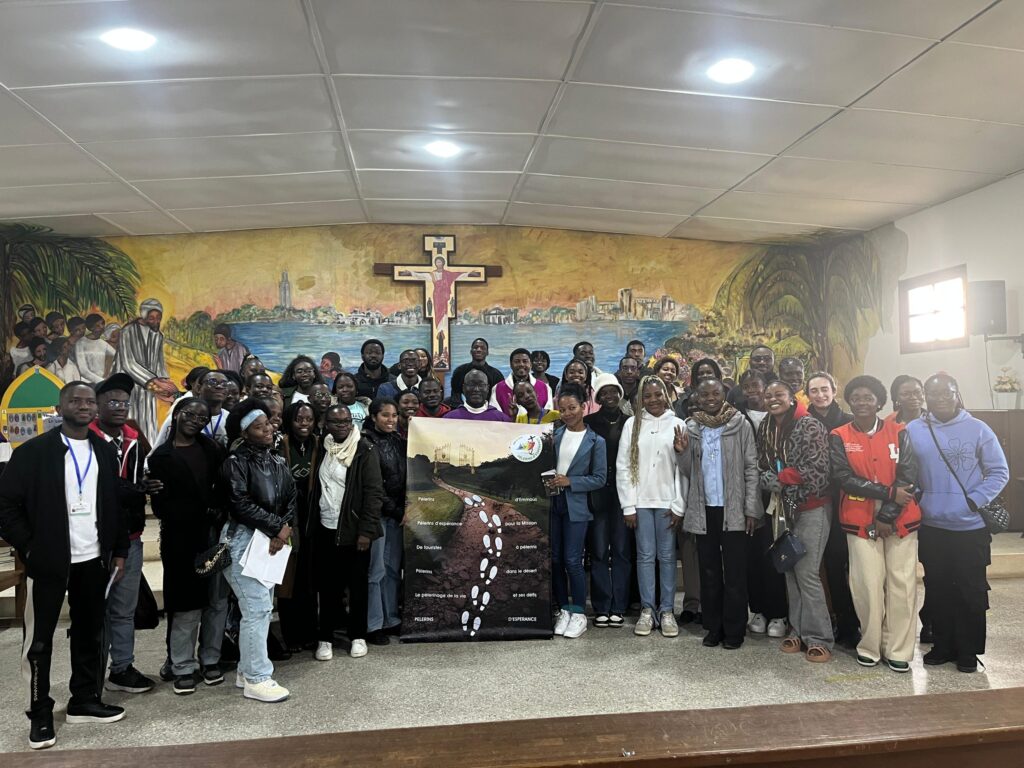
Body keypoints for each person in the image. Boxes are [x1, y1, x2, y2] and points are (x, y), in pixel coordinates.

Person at [0, 382, 129, 750]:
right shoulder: (35, 452)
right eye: (75, 400)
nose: (83, 406)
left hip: (93, 559)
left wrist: (118, 549)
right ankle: (39, 712)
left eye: (89, 401)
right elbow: (5, 504)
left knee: (89, 632)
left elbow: (115, 502)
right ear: (60, 407)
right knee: (39, 640)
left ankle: (84, 700)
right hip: (49, 561)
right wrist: (30, 547)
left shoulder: (104, 451)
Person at [906, 373, 1009, 673]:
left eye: (947, 393)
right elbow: (907, 471)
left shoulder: (978, 428)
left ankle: (968, 650)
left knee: (971, 589)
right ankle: (943, 645)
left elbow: (999, 471)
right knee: (937, 588)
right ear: (925, 396)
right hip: (932, 526)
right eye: (933, 393)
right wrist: (919, 496)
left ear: (957, 394)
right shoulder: (914, 429)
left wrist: (973, 500)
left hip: (970, 528)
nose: (940, 398)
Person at [830, 375, 921, 672]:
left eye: (868, 398)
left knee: (902, 584)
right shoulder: (839, 435)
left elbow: (908, 475)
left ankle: (898, 649)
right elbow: (843, 478)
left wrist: (886, 514)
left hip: (901, 519)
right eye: (856, 398)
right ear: (849, 402)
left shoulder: (899, 431)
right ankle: (869, 645)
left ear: (879, 402)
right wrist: (887, 494)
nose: (862, 403)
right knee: (867, 584)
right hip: (859, 520)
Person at [148, 398, 228, 694]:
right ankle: (183, 664)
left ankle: (210, 658)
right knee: (185, 604)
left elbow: (224, 486)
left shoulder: (212, 449)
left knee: (216, 600)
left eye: (202, 417)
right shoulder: (161, 457)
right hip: (180, 538)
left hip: (213, 535)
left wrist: (217, 512)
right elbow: (161, 506)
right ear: (177, 414)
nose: (196, 420)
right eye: (190, 414)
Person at [221, 400, 296, 702]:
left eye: (267, 423)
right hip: (243, 539)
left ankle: (245, 670)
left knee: (262, 608)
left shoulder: (277, 460)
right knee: (256, 609)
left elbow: (290, 497)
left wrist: (283, 527)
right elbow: (239, 503)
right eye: (258, 426)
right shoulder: (235, 462)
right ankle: (257, 678)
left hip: (271, 541)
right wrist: (276, 527)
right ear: (244, 433)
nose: (267, 429)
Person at [678, 379, 760, 649]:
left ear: (724, 394)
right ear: (697, 398)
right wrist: (682, 452)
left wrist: (751, 508)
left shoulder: (740, 424)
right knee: (709, 571)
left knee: (735, 572)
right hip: (704, 510)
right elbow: (688, 471)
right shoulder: (692, 427)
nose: (710, 398)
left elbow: (751, 467)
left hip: (733, 508)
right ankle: (714, 627)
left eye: (716, 393)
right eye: (705, 394)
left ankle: (735, 630)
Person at [757, 380, 833, 663]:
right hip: (781, 507)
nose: (773, 399)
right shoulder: (766, 426)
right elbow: (763, 461)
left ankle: (819, 638)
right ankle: (797, 631)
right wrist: (768, 477)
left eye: (779, 394)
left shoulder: (809, 425)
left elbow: (818, 470)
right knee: (789, 567)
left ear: (792, 398)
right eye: (768, 395)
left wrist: (780, 478)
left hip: (811, 506)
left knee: (807, 572)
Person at [91, 374, 158, 695]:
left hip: (130, 537)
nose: (119, 407)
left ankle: (121, 668)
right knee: (94, 610)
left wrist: (149, 486)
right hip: (93, 541)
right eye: (112, 401)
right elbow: (102, 487)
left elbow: (138, 480)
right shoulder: (85, 439)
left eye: (124, 402)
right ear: (97, 405)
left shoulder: (133, 438)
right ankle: (90, 674)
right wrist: (136, 490)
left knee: (124, 609)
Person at [310, 404, 384, 661]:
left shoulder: (364, 449)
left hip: (355, 531)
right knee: (328, 587)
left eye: (346, 422)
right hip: (325, 528)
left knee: (357, 585)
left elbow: (374, 494)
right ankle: (325, 638)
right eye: (335, 422)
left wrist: (366, 531)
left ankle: (357, 636)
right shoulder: (322, 447)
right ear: (325, 424)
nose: (341, 426)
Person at [616, 376, 686, 638]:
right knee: (645, 556)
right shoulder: (632, 424)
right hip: (641, 503)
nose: (653, 400)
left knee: (667, 557)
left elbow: (682, 469)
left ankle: (667, 610)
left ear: (666, 395)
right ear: (640, 399)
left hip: (668, 502)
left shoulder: (678, 424)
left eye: (658, 394)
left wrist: (679, 505)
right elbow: (623, 466)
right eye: (647, 396)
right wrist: (628, 505)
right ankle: (647, 609)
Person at [548, 384, 607, 639]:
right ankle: (564, 609)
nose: (567, 414)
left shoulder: (596, 442)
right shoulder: (554, 435)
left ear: (583, 407)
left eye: (572, 408)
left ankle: (579, 611)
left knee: (573, 560)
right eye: (562, 410)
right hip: (554, 504)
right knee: (556, 559)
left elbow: (600, 478)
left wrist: (570, 481)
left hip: (577, 506)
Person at [805, 371, 858, 647]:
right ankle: (836, 621)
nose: (820, 395)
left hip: (848, 499)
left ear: (834, 391)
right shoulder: (803, 422)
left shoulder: (849, 421)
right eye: (814, 390)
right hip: (816, 502)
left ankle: (856, 621)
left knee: (851, 564)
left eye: (824, 389)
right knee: (829, 565)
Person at [584, 374, 632, 628]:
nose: (610, 396)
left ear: (620, 393)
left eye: (614, 391)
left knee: (622, 551)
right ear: (598, 396)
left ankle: (619, 606)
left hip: (624, 494)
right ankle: (602, 606)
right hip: (598, 494)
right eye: (605, 392)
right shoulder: (589, 422)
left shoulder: (630, 422)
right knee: (599, 550)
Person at [362, 398, 407, 643]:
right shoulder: (366, 442)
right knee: (376, 570)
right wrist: (396, 510)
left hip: (397, 515)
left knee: (392, 569)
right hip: (378, 515)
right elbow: (374, 485)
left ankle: (391, 618)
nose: (391, 420)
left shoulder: (398, 440)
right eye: (385, 415)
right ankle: (374, 624)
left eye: (394, 415)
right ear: (373, 417)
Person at [277, 401, 320, 652]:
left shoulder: (319, 444)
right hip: (288, 518)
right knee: (289, 580)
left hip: (313, 518)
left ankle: (310, 633)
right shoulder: (279, 444)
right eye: (299, 419)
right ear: (289, 421)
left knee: (309, 579)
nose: (304, 424)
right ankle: (291, 635)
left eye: (309, 419)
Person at [113, 298, 177, 445]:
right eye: (151, 317)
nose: (156, 321)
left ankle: (148, 451)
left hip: (148, 388)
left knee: (148, 420)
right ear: (144, 315)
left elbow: (159, 362)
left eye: (158, 317)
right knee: (131, 418)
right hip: (128, 384)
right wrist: (155, 382)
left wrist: (164, 384)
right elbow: (128, 363)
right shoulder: (128, 331)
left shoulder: (158, 335)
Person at [492, 347, 553, 418]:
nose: (521, 364)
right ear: (511, 364)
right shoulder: (498, 388)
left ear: (530, 364)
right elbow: (495, 417)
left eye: (525, 361)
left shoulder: (544, 388)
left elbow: (548, 417)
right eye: (517, 361)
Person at [450, 338, 503, 404]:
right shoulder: (459, 371)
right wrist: (461, 409)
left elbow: (499, 397)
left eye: (482, 348)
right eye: (476, 347)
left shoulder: (496, 375)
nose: (479, 350)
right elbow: (455, 396)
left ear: (487, 352)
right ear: (471, 351)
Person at [444, 369, 510, 421]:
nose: (476, 389)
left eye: (481, 385)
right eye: (471, 384)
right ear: (463, 388)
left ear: (487, 388)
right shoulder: (449, 419)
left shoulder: (501, 419)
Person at [728, 345, 777, 410]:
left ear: (774, 362)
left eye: (767, 359)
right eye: (757, 359)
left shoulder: (782, 388)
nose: (762, 362)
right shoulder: (735, 392)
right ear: (750, 362)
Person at [74, 314, 116, 385]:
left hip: (103, 382)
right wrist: (101, 381)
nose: (102, 327)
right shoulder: (81, 343)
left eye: (102, 323)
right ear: (91, 328)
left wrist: (108, 373)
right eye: (98, 325)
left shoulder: (103, 343)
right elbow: (83, 370)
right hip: (88, 383)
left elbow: (116, 356)